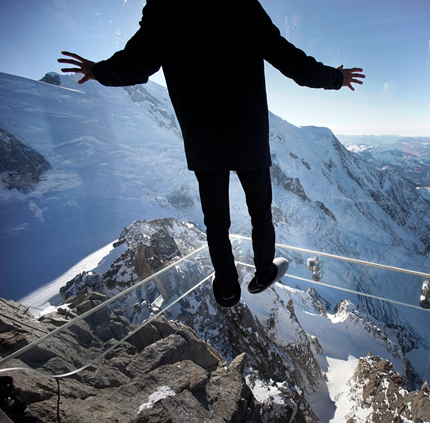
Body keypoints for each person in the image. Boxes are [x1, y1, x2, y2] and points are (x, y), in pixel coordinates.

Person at [58, 0, 365, 307]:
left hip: (203, 136)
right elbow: (293, 62)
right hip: (248, 131)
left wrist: (98, 71)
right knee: (260, 210)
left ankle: (228, 288)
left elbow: (134, 65)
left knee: (216, 221)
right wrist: (336, 78)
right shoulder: (242, 5)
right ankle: (263, 271)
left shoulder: (163, 9)